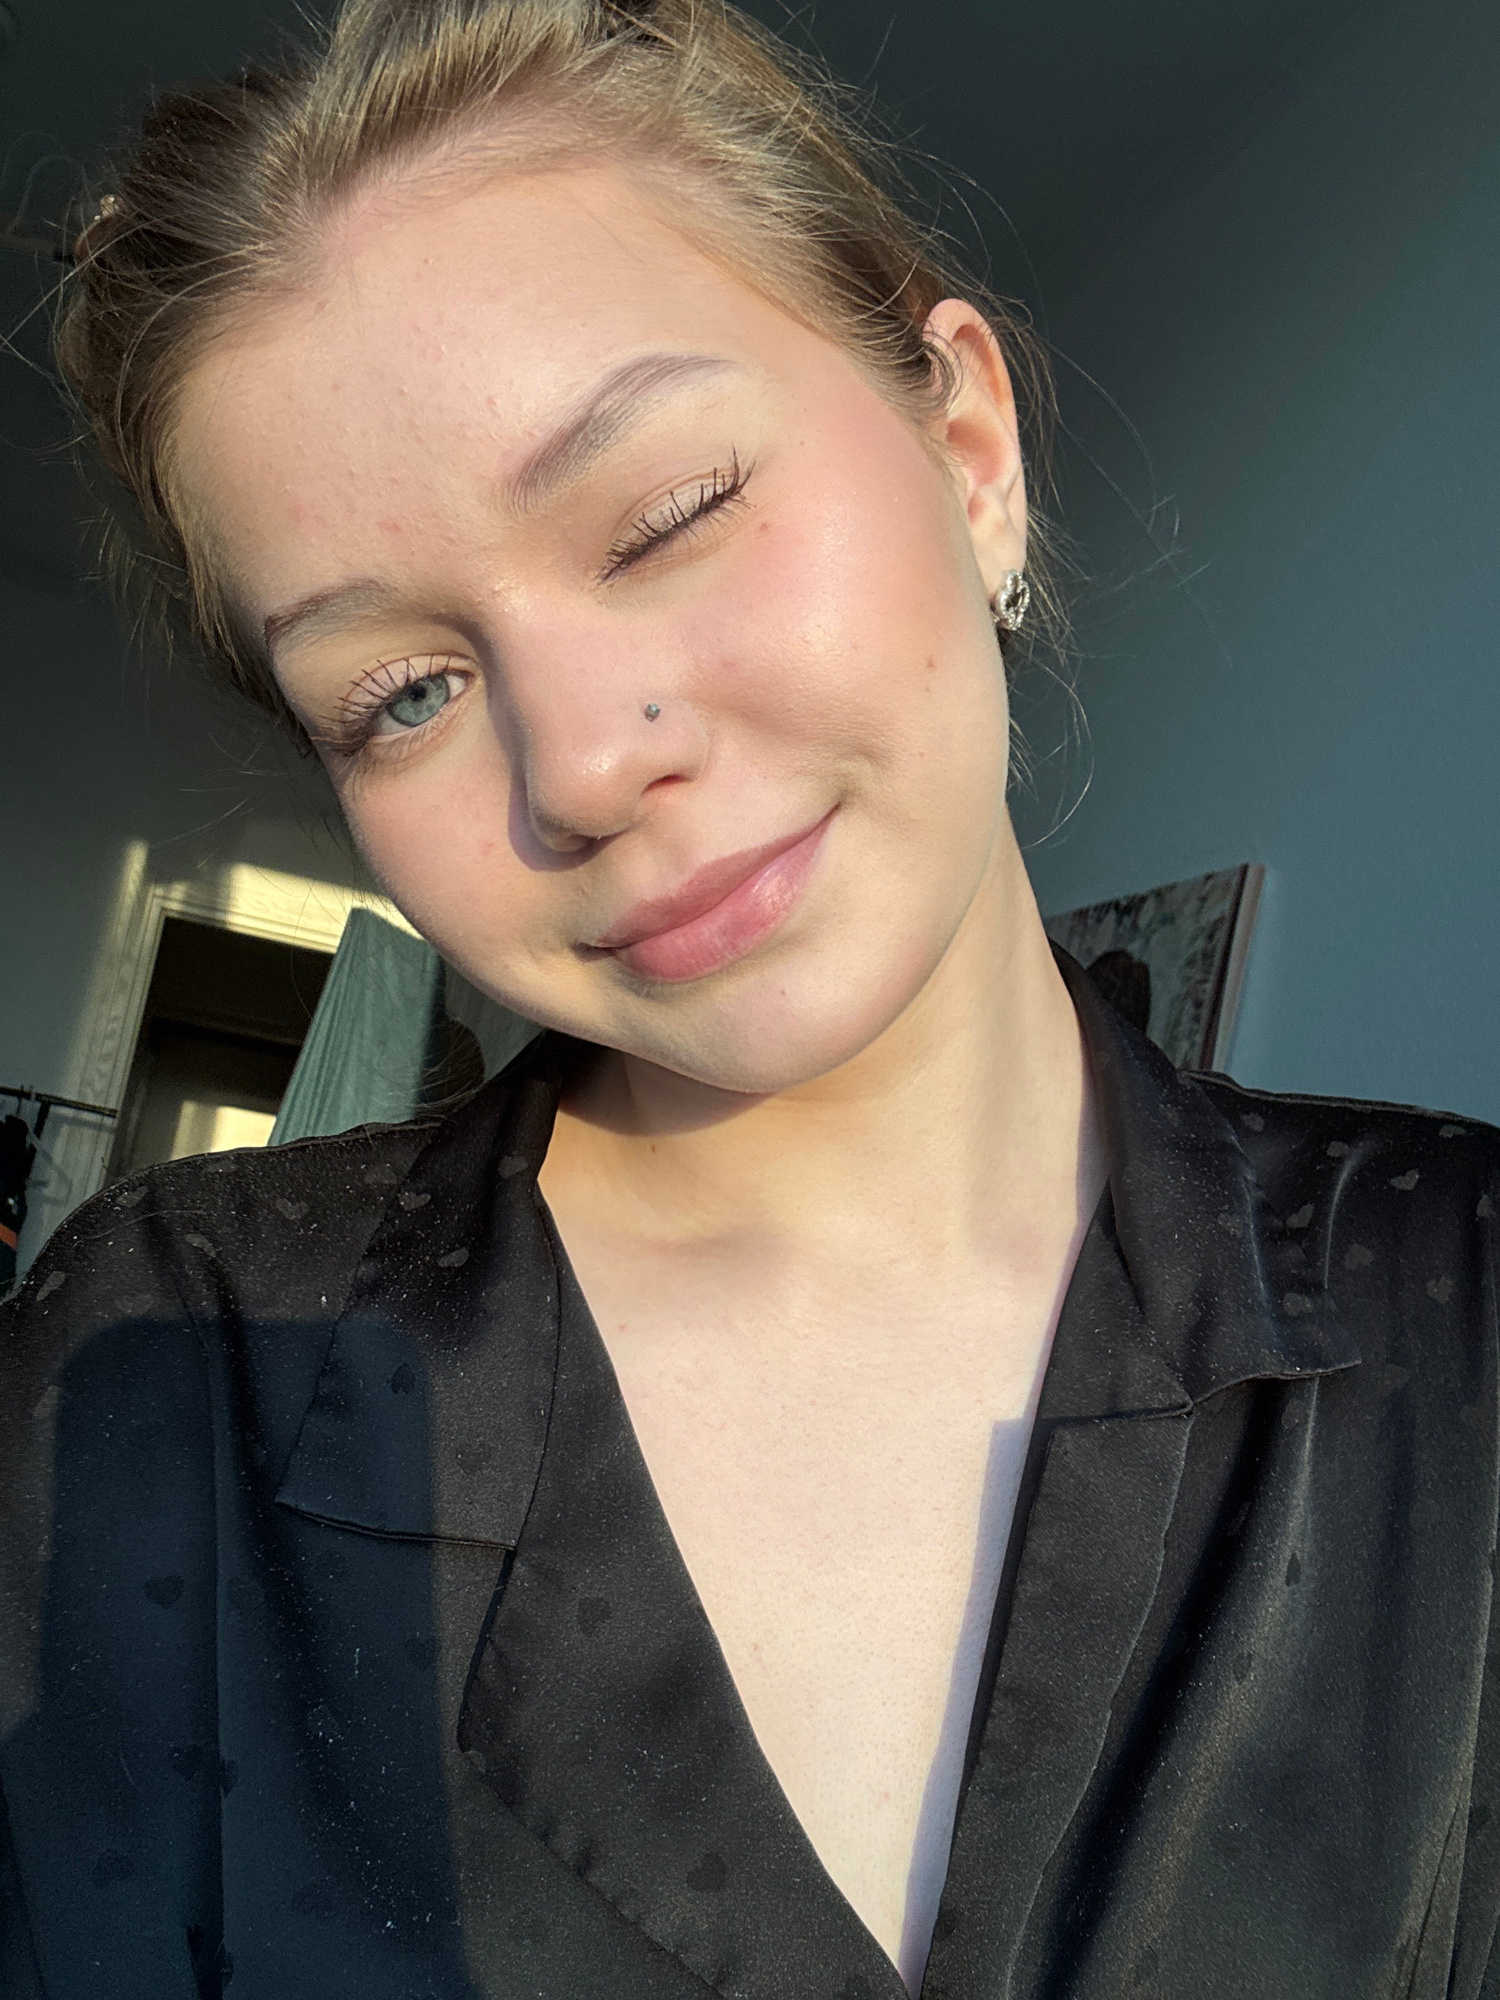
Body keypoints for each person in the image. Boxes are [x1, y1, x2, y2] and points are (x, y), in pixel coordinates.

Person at [2, 2, 1496, 1995]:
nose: (581, 765)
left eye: (668, 514)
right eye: (403, 693)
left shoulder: (1460, 1304)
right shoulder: (171, 1362)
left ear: (970, 450)